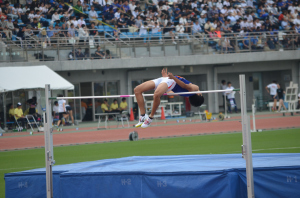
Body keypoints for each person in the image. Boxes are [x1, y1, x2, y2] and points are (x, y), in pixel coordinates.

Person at [134, 68, 204, 128]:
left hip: (171, 81)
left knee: (156, 95)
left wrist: (173, 78)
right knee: (137, 90)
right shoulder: (186, 94)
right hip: (166, 80)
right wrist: (166, 79)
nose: (201, 92)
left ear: (199, 95)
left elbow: (185, 86)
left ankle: (150, 117)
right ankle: (143, 115)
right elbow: (170, 92)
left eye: (201, 94)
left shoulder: (195, 89)